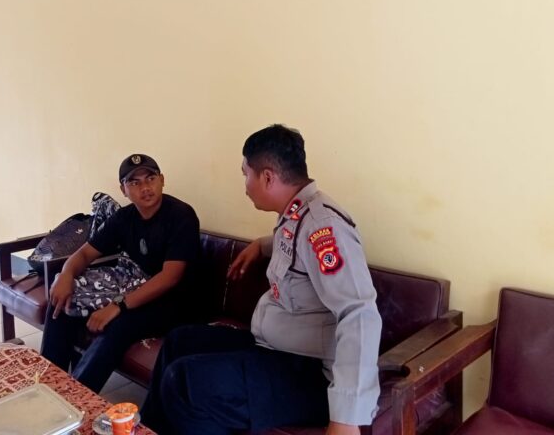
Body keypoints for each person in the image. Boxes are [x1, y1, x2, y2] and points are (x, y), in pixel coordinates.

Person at [141, 125, 381, 435]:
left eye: (246, 175)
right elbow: (297, 248)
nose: (245, 186)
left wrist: (345, 418)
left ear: (267, 177)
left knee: (185, 382)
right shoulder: (297, 214)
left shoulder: (324, 227)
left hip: (311, 373)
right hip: (274, 348)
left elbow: (359, 313)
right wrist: (261, 245)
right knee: (178, 342)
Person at [40, 154, 200, 393]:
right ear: (123, 189)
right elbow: (85, 254)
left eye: (150, 178)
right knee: (63, 300)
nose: (145, 187)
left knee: (117, 325)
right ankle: (49, 388)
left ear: (162, 180)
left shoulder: (181, 215)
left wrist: (118, 305)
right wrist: (65, 275)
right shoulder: (124, 218)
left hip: (175, 301)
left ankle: (76, 400)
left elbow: (170, 277)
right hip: (133, 288)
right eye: (134, 182)